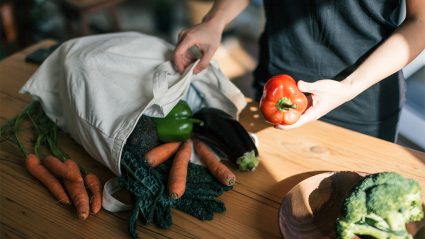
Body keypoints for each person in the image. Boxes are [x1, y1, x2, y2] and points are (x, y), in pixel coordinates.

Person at [173, 0, 425, 142]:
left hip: (362, 103)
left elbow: (421, 21)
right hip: (274, 92)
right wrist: (214, 22)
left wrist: (348, 88)